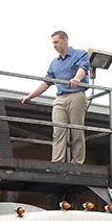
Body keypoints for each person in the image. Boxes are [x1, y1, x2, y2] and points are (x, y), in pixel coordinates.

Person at [21, 30, 91, 164]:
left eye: (56, 42)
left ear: (65, 40)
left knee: (76, 128)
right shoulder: (55, 62)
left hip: (76, 94)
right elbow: (47, 81)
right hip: (60, 97)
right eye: (53, 43)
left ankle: (77, 161)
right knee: (58, 130)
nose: (54, 45)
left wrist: (76, 78)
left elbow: (83, 68)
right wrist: (30, 96)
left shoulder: (80, 54)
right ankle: (57, 161)